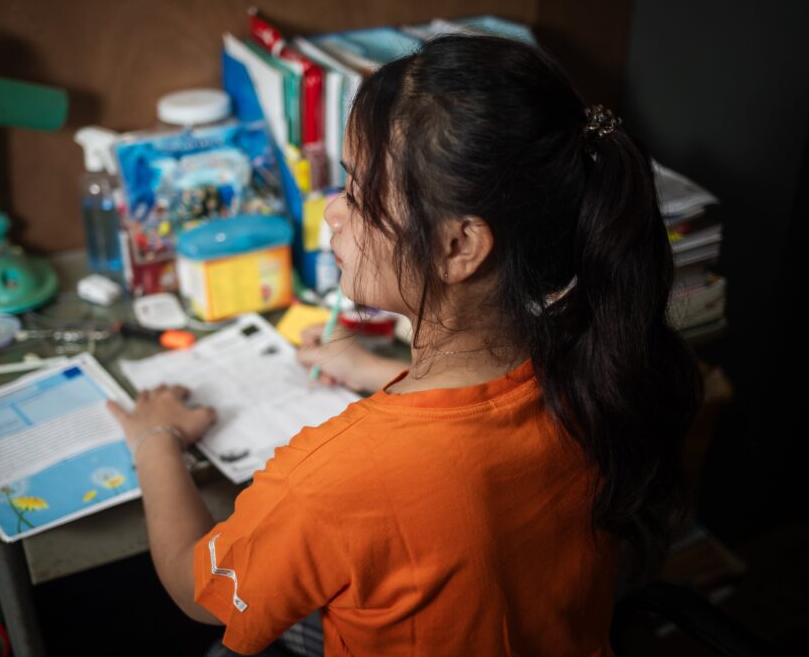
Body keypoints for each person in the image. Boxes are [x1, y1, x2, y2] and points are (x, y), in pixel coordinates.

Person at [108, 33, 704, 656]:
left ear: (458, 247)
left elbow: (197, 587)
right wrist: (375, 368)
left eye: (360, 195)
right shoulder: (590, 366)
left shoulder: (337, 477)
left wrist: (156, 441)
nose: (332, 213)